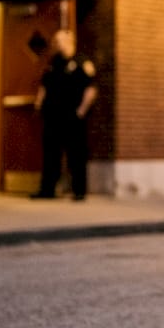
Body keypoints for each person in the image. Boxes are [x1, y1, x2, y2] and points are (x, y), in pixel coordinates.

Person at [30, 30, 97, 201]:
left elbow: (91, 89)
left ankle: (79, 191)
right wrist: (39, 104)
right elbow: (44, 86)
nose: (57, 44)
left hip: (72, 117)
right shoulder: (54, 63)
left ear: (70, 41)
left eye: (60, 40)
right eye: (55, 41)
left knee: (76, 154)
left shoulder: (82, 62)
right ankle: (47, 189)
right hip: (53, 117)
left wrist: (81, 111)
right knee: (51, 154)